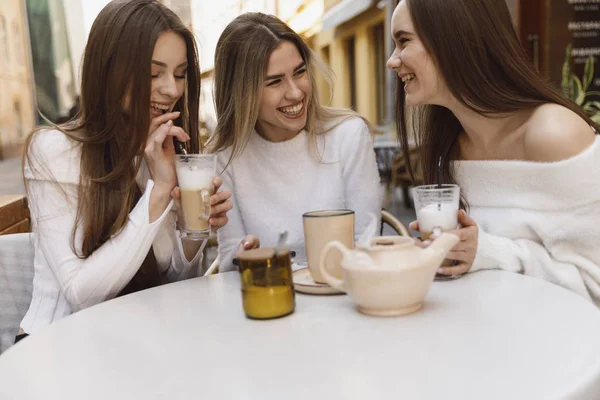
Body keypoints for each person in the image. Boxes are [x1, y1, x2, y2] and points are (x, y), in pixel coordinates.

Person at [18, 0, 233, 339]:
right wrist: (159, 192)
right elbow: (81, 294)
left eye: (179, 74)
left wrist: (195, 227)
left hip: (132, 343)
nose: (172, 90)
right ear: (110, 71)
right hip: (55, 346)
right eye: (153, 73)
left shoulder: (159, 152)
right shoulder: (54, 151)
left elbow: (171, 283)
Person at [388, 0, 600, 305]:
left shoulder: (553, 134)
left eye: (404, 41)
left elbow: (594, 284)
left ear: (453, 38)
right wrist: (452, 253)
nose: (392, 61)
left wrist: (489, 252)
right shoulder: (451, 150)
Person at [210, 12, 381, 271]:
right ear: (242, 93)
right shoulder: (227, 157)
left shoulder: (349, 136)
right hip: (268, 297)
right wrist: (243, 255)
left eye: (300, 72)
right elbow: (228, 263)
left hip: (341, 296)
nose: (295, 92)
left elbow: (367, 244)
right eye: (275, 82)